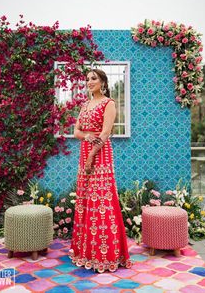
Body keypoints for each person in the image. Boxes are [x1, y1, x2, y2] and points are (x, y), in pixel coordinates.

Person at [69, 68, 132, 273]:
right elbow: (76, 131)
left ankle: (106, 255)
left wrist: (90, 156)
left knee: (102, 201)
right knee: (85, 200)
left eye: (93, 79)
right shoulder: (85, 105)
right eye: (87, 79)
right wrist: (85, 137)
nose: (89, 82)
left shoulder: (109, 103)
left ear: (103, 82)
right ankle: (86, 252)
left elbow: (105, 134)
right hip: (85, 153)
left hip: (101, 156)